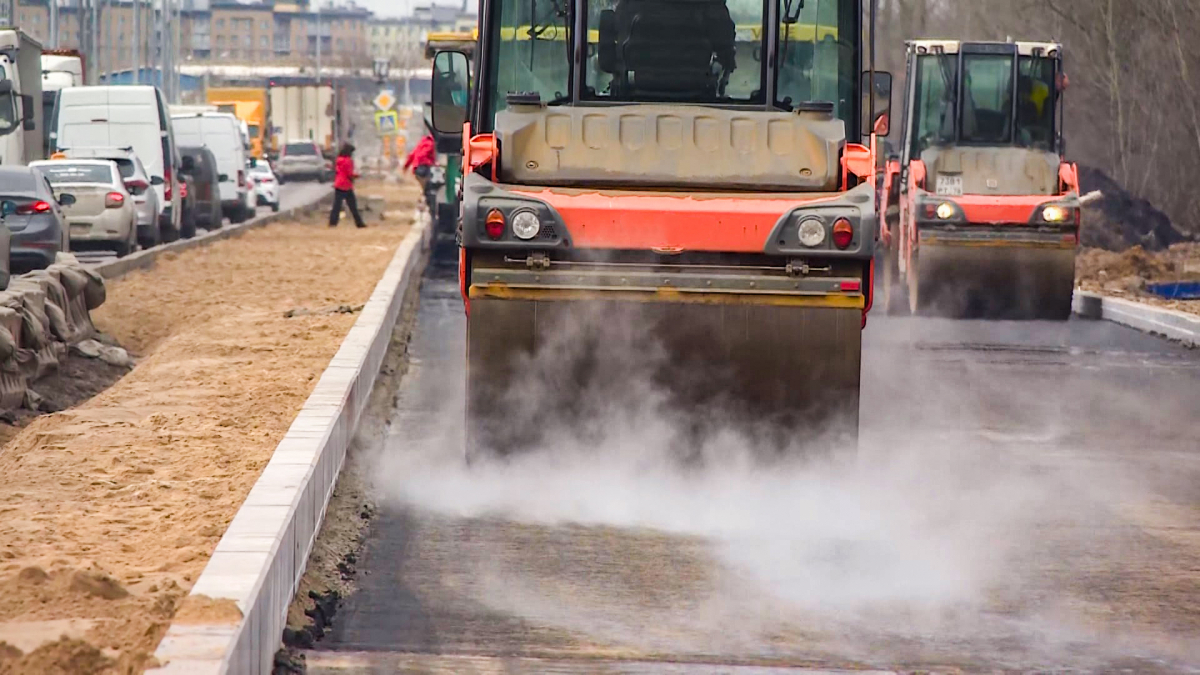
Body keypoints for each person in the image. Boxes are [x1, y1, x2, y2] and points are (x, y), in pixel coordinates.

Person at [330, 143, 366, 228]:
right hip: (346, 185)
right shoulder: (348, 160)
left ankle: (332, 223)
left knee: (336, 206)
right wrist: (357, 176)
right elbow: (349, 173)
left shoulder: (339, 159)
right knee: (353, 206)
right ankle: (359, 223)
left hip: (338, 184)